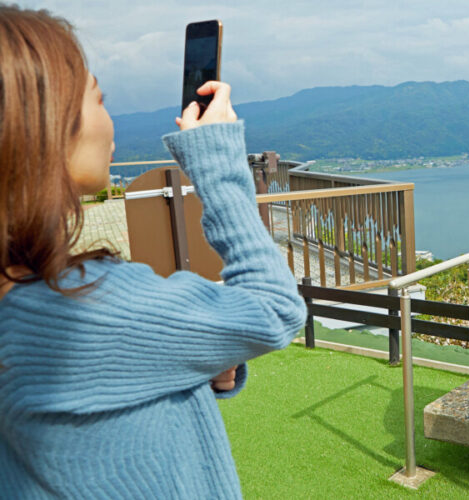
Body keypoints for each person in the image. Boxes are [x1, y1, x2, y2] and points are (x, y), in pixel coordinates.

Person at [0, 6, 306, 498]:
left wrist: (189, 363)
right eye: (98, 98)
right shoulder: (80, 308)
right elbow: (274, 308)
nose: (108, 118)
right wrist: (217, 160)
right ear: (44, 129)